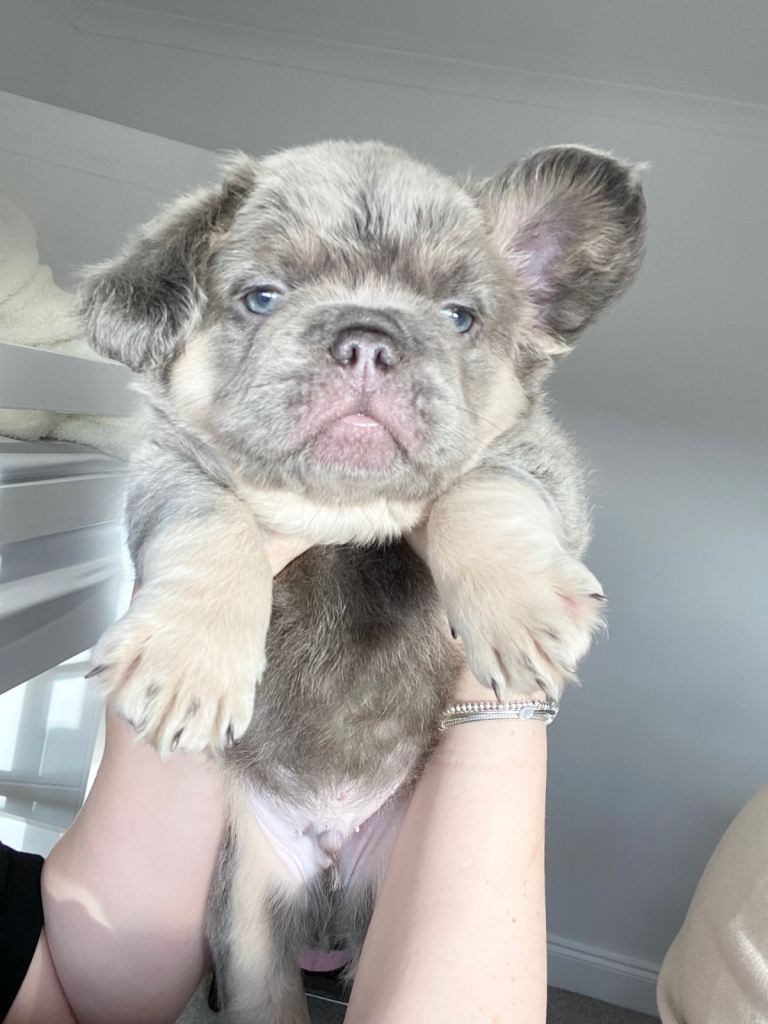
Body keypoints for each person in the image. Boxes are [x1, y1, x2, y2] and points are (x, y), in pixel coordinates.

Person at [4, 531, 548, 1024]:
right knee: (260, 981)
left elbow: (96, 998)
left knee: (418, 940)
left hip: (401, 753)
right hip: (266, 779)